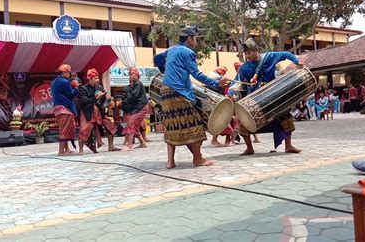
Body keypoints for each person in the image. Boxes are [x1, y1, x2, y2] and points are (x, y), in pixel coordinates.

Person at [153, 25, 230, 169]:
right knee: (194, 125)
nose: (196, 42)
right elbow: (196, 74)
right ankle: (197, 158)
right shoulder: (187, 52)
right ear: (189, 38)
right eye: (195, 39)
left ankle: (170, 161)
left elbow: (156, 59)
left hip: (165, 91)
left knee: (171, 125)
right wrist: (217, 83)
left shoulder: (171, 50)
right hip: (179, 92)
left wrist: (167, 72)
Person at [229, 38, 301, 155]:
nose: (247, 56)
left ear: (256, 50)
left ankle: (288, 146)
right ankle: (249, 148)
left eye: (249, 53)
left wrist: (297, 62)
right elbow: (236, 83)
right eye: (245, 53)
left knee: (286, 116)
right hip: (254, 99)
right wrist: (231, 94)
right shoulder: (244, 68)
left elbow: (287, 54)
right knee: (244, 121)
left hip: (273, 96)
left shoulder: (269, 57)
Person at [78, 68, 120, 154]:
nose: (98, 80)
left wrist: (109, 102)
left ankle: (111, 146)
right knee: (84, 129)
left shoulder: (100, 87)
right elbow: (83, 101)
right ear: (90, 79)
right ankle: (80, 150)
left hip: (99, 112)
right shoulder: (83, 88)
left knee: (109, 126)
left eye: (98, 78)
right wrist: (95, 98)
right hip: (88, 112)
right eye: (95, 78)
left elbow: (104, 100)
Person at [51, 64, 79, 156]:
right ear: (64, 73)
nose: (69, 75)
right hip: (65, 108)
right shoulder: (65, 82)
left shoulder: (54, 81)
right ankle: (61, 151)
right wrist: (75, 87)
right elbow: (71, 95)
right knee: (65, 129)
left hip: (58, 108)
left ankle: (66, 149)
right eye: (68, 73)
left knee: (64, 128)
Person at [121, 68, 149, 151]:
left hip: (141, 107)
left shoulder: (138, 83)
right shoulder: (132, 86)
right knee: (135, 126)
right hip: (138, 107)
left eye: (132, 74)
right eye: (129, 74)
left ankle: (129, 145)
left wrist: (123, 102)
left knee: (131, 122)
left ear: (137, 75)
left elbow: (134, 96)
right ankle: (142, 143)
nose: (130, 76)